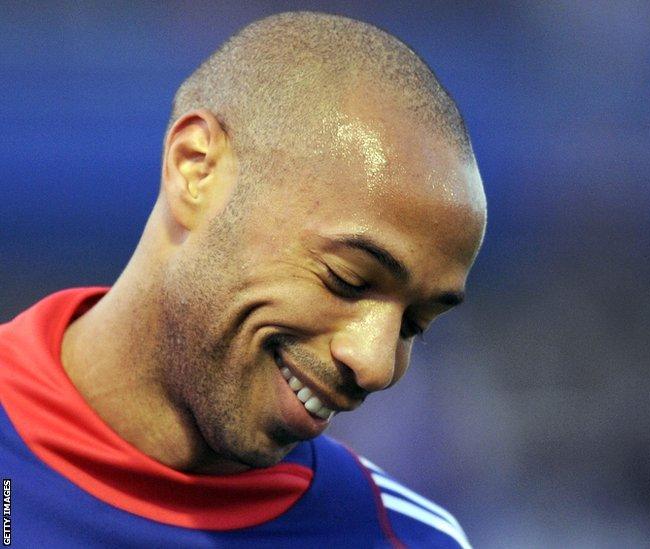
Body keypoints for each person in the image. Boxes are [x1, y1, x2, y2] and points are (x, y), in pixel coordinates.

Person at [0, 11, 485, 548]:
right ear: (196, 168)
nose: (375, 364)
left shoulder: (404, 539)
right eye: (347, 280)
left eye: (413, 325)